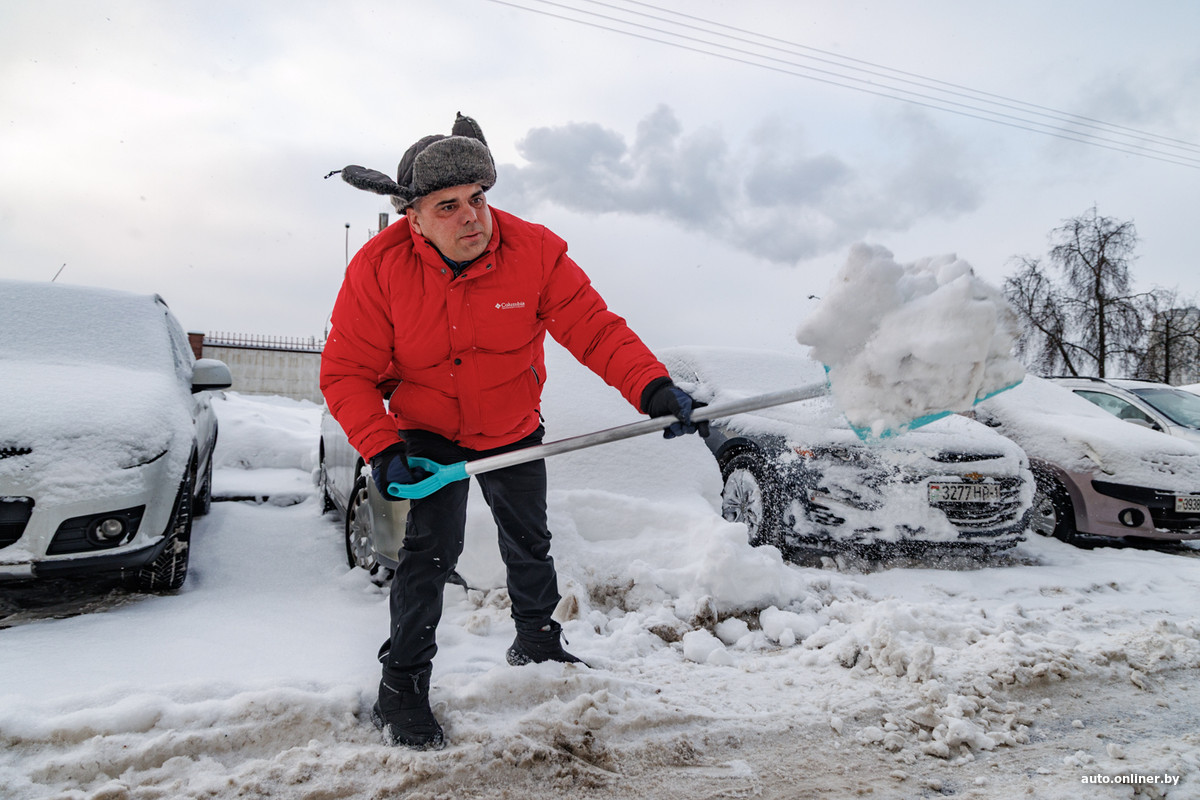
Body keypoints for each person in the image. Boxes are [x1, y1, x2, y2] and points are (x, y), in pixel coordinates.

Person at [320, 112, 706, 751]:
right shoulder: (378, 268)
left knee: (529, 542)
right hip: (427, 429)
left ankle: (537, 641)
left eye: (478, 198)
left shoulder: (534, 252)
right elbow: (346, 372)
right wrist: (382, 449)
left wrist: (652, 387)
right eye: (448, 206)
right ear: (413, 216)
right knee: (428, 554)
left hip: (511, 422)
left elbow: (594, 328)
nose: (472, 217)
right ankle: (402, 686)